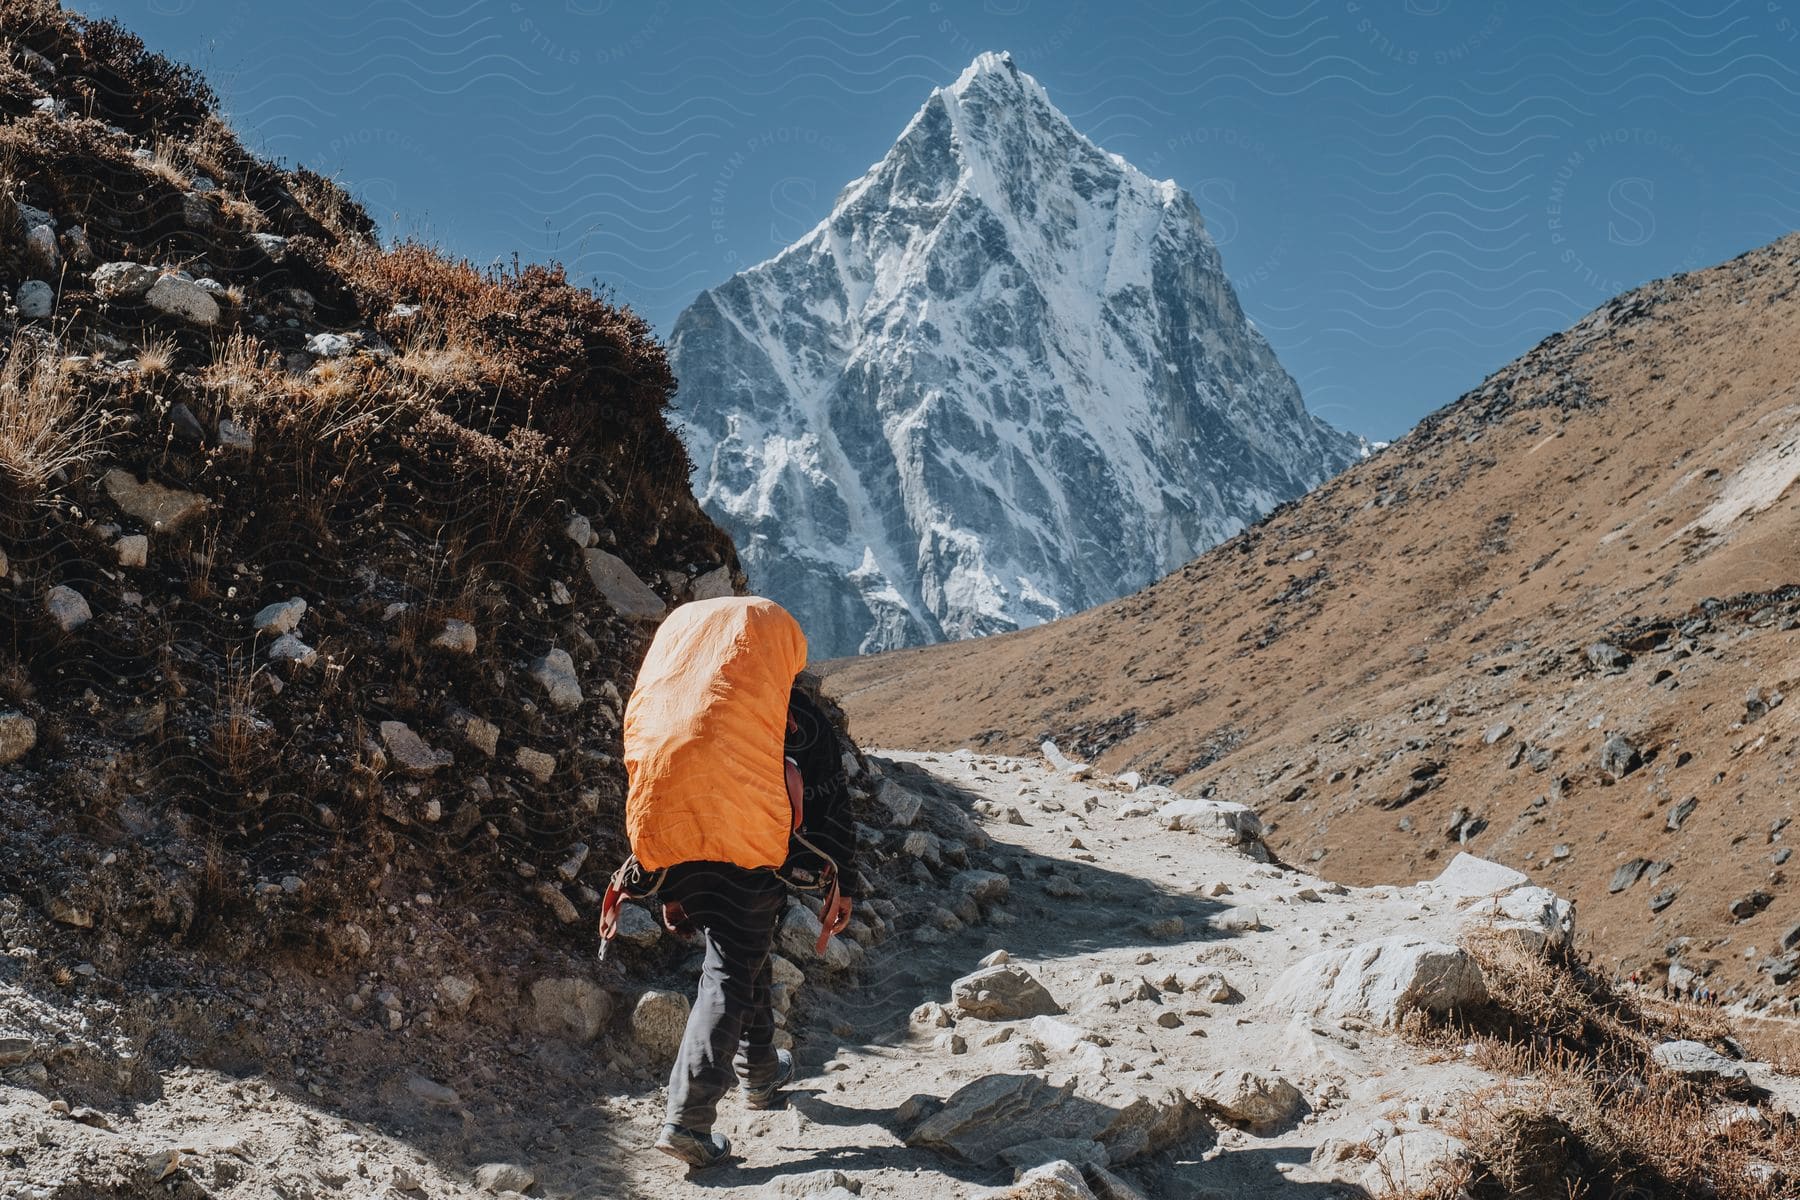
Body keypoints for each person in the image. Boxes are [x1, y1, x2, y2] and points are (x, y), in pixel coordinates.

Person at [620, 595, 851, 1168]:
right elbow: (828, 804)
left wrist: (668, 887)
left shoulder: (669, 704)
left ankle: (761, 1072)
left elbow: (646, 787)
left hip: (673, 850)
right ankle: (688, 1121)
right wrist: (840, 885)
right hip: (750, 852)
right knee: (730, 967)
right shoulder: (791, 716)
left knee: (744, 945)